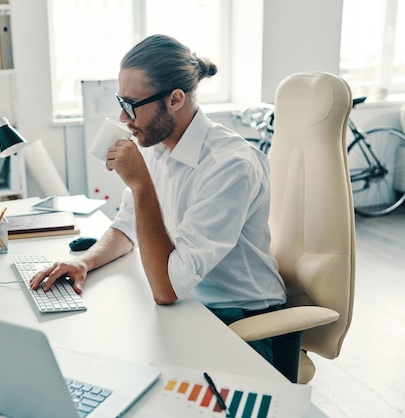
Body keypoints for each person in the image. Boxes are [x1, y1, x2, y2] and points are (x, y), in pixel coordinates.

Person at [30, 34, 297, 379]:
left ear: (174, 99)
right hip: (189, 307)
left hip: (242, 321)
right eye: (120, 102)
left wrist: (140, 185)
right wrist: (83, 261)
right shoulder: (156, 146)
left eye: (131, 104)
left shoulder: (229, 165)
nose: (123, 118)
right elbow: (127, 226)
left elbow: (166, 289)